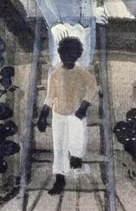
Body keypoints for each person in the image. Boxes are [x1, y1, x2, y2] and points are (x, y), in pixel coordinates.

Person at [37, 37, 98, 196]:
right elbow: (50, 96)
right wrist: (43, 115)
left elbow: (93, 86)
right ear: (60, 54)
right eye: (64, 55)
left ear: (77, 56)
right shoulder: (55, 72)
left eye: (71, 56)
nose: (68, 59)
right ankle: (60, 178)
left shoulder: (80, 71)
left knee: (77, 139)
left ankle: (76, 157)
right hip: (59, 113)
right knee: (59, 146)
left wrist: (84, 105)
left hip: (76, 112)